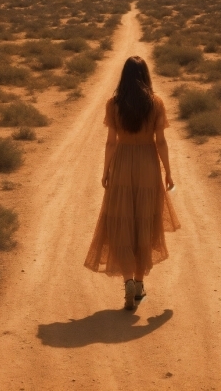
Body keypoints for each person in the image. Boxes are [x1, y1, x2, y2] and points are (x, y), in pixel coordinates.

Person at [84, 56, 180, 310]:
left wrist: (106, 170)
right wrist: (168, 172)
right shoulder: (156, 104)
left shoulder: (113, 104)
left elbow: (111, 142)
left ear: (123, 77)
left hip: (123, 164)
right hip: (148, 165)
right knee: (145, 223)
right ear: (146, 76)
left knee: (121, 222)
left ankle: (127, 281)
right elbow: (160, 141)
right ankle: (138, 285)